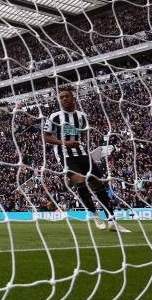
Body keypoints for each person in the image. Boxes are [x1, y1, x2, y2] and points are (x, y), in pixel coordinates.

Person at [42, 86, 129, 233]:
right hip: (65, 154)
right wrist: (65, 142)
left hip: (82, 152)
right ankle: (94, 214)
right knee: (80, 180)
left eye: (66, 96)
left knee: (98, 183)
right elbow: (45, 136)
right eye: (61, 97)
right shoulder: (54, 116)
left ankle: (112, 220)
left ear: (73, 98)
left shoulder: (82, 116)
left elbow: (80, 133)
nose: (63, 99)